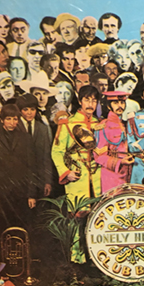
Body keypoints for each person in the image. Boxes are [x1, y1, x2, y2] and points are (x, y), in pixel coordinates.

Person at [51, 85, 102, 263]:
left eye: (94, 100)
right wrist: (66, 173)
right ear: (80, 101)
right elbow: (57, 152)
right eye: (87, 100)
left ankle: (97, 258)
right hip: (77, 179)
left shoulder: (99, 124)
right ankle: (77, 259)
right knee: (77, 218)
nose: (90, 104)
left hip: (97, 178)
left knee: (97, 218)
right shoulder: (68, 123)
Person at [0, 103, 38, 233]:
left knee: (23, 229)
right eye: (8, 119)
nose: (12, 123)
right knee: (2, 228)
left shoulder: (26, 139)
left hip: (21, 193)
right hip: (0, 194)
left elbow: (31, 168)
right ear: (1, 120)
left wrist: (31, 194)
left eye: (15, 119)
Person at [95, 91, 134, 192]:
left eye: (122, 102)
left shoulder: (126, 124)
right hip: (111, 175)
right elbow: (99, 156)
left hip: (127, 173)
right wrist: (119, 162)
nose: (120, 106)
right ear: (109, 106)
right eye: (116, 103)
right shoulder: (103, 126)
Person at [16, 93, 54, 197]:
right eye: (26, 109)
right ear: (20, 111)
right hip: (19, 180)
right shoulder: (15, 127)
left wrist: (48, 182)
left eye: (32, 109)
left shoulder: (43, 129)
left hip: (39, 180)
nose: (29, 113)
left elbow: (46, 157)